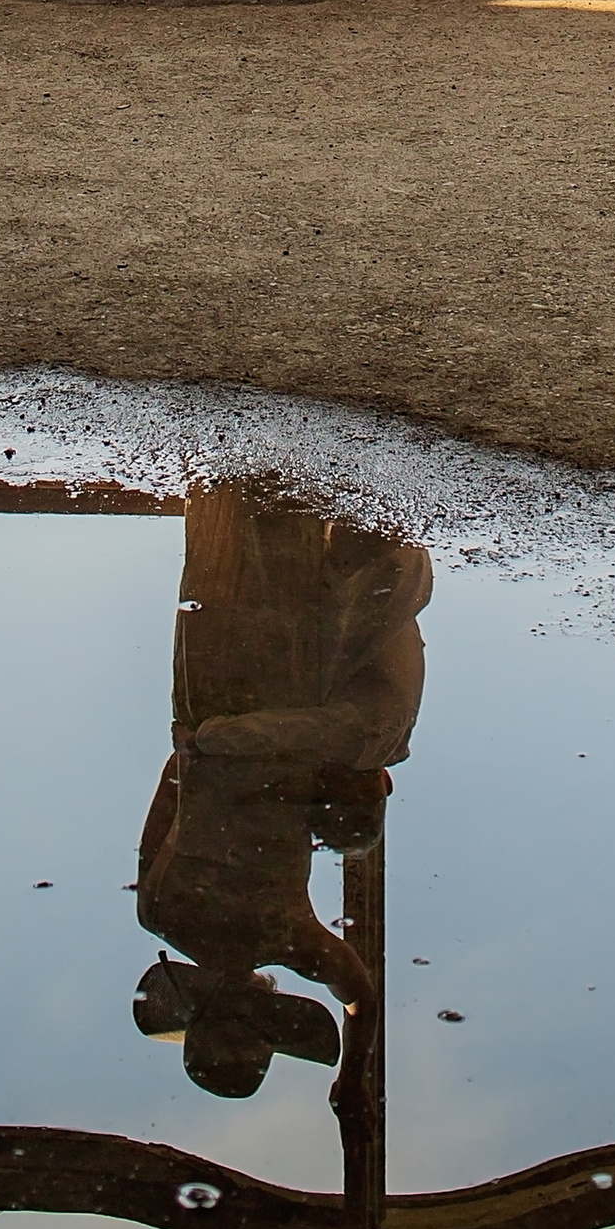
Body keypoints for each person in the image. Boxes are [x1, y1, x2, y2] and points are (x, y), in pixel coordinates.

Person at [130, 485, 430, 1131]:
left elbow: (362, 1001)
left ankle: (301, 468)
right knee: (227, 560)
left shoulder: (286, 937)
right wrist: (198, 747)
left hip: (268, 723)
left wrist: (352, 1079)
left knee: (285, 577)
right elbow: (169, 787)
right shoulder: (158, 913)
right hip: (207, 711)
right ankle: (242, 463)